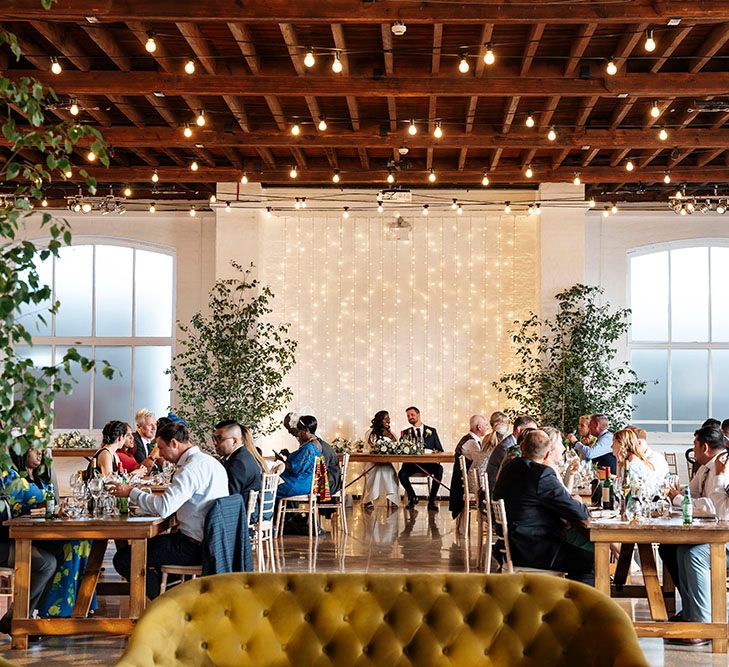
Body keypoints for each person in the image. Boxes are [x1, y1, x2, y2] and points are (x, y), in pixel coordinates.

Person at [109, 422, 228, 599]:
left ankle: (166, 605)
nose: (160, 453)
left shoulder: (190, 469)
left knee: (124, 558)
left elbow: (164, 508)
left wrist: (131, 492)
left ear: (174, 443)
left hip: (192, 546)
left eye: (161, 447)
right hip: (213, 542)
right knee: (148, 550)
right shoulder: (210, 462)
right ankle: (172, 595)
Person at [493, 429, 592, 584]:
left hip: (510, 546)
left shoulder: (510, 467)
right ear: (547, 455)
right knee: (592, 562)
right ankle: (576, 606)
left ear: (522, 446)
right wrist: (579, 503)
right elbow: (578, 513)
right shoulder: (542, 475)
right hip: (533, 549)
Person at [659, 427, 729, 645]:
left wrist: (683, 500)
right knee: (676, 549)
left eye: (695, 445)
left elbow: (721, 513)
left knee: (694, 555)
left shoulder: (723, 468)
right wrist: (679, 497)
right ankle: (691, 617)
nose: (693, 450)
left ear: (704, 447)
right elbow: (691, 496)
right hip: (713, 533)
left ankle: (703, 625)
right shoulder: (705, 468)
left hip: (725, 538)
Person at [0, 462, 57, 634]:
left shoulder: (8, 471)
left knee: (56, 551)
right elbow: (42, 495)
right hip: (2, 543)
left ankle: (28, 616)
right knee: (47, 563)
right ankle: (17, 620)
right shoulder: (7, 474)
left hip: (5, 537)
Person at [398, 406, 444, 512]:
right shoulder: (405, 433)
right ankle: (412, 497)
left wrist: (432, 452)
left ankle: (432, 501)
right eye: (408, 416)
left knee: (439, 470)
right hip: (411, 465)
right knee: (401, 474)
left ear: (418, 414)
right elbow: (400, 450)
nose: (410, 417)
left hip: (428, 464)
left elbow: (440, 449)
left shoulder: (432, 431)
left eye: (412, 415)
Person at [284, 412, 341, 496]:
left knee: (291, 483)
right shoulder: (313, 443)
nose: (290, 432)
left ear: (306, 431)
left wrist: (283, 462)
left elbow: (300, 467)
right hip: (321, 478)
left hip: (327, 482)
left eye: (294, 430)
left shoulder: (312, 447)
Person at [214, 419, 267, 506]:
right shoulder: (244, 455)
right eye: (214, 438)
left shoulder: (238, 462)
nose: (215, 443)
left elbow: (229, 495)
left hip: (242, 514)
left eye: (219, 438)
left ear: (234, 441)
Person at [449, 415, 489, 520]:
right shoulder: (471, 443)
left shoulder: (467, 439)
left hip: (459, 484)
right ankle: (490, 521)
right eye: (486, 425)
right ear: (479, 427)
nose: (487, 427)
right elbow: (481, 463)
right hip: (461, 486)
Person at [274, 416, 325, 498]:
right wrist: (288, 455)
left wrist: (281, 460)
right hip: (305, 483)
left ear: (306, 431)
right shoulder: (316, 444)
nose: (299, 435)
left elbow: (294, 468)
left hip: (297, 484)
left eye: (300, 431)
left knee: (269, 486)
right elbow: (303, 462)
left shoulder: (309, 448)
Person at [485, 415, 537, 496]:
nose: (533, 435)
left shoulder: (510, 443)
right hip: (495, 494)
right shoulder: (508, 447)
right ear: (519, 429)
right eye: (531, 431)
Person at [363, 411, 400, 509]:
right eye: (385, 418)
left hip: (387, 462)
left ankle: (392, 498)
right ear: (379, 420)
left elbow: (396, 446)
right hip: (373, 462)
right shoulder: (371, 433)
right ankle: (368, 499)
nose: (388, 420)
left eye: (389, 418)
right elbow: (368, 448)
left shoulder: (391, 433)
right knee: (377, 470)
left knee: (388, 470)